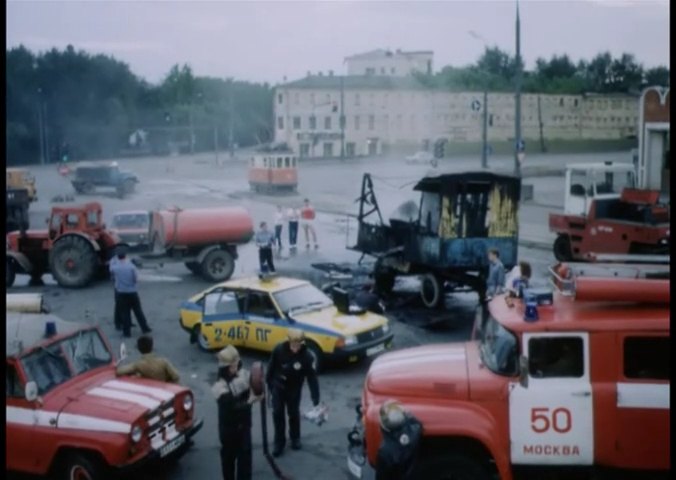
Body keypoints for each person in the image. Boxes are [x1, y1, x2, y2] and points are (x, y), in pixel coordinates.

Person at [266, 329, 320, 457]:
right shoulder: (279, 350)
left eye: (298, 345)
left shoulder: (307, 357)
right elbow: (271, 368)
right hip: (278, 386)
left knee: (293, 413)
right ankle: (279, 442)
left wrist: (315, 397)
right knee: (277, 413)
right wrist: (270, 385)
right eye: (293, 345)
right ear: (288, 342)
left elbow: (312, 377)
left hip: (294, 388)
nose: (295, 348)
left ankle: (295, 438)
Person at [211, 345, 262, 480]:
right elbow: (232, 407)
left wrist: (258, 391)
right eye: (231, 366)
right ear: (224, 368)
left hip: (244, 427)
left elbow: (256, 384)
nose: (235, 368)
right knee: (228, 461)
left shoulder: (243, 374)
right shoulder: (219, 387)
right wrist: (251, 401)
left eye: (236, 364)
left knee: (245, 462)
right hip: (229, 430)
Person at [375, 400, 423, 480]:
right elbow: (417, 424)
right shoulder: (413, 432)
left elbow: (381, 476)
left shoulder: (385, 451)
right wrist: (407, 416)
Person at [109, 249, 151, 337]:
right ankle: (145, 328)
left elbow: (111, 270)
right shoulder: (131, 267)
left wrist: (113, 259)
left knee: (125, 313)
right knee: (138, 311)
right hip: (132, 292)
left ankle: (127, 332)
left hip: (121, 293)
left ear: (118, 257)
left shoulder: (115, 268)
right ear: (125, 256)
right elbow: (136, 279)